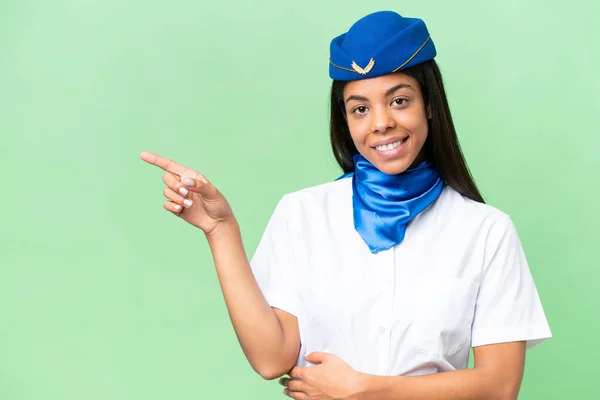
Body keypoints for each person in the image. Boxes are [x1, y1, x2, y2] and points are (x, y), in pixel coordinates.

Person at [140, 10, 551, 400]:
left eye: (399, 100)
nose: (380, 123)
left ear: (430, 103)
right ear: (345, 120)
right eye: (360, 108)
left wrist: (364, 390)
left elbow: (499, 386)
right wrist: (220, 231)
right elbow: (272, 359)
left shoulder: (486, 230)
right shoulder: (301, 214)